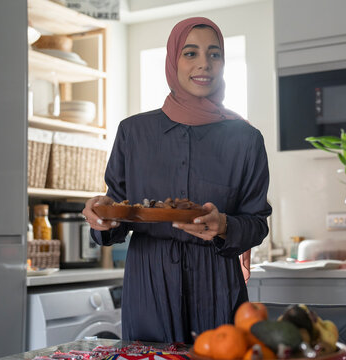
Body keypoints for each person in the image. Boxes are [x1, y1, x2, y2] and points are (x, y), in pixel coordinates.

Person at [82, 16, 272, 344]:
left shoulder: (246, 139)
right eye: (190, 53)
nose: (204, 64)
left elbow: (257, 223)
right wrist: (101, 217)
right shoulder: (133, 132)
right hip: (148, 283)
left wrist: (224, 225)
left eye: (214, 54)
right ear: (173, 60)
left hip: (218, 285)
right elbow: (116, 212)